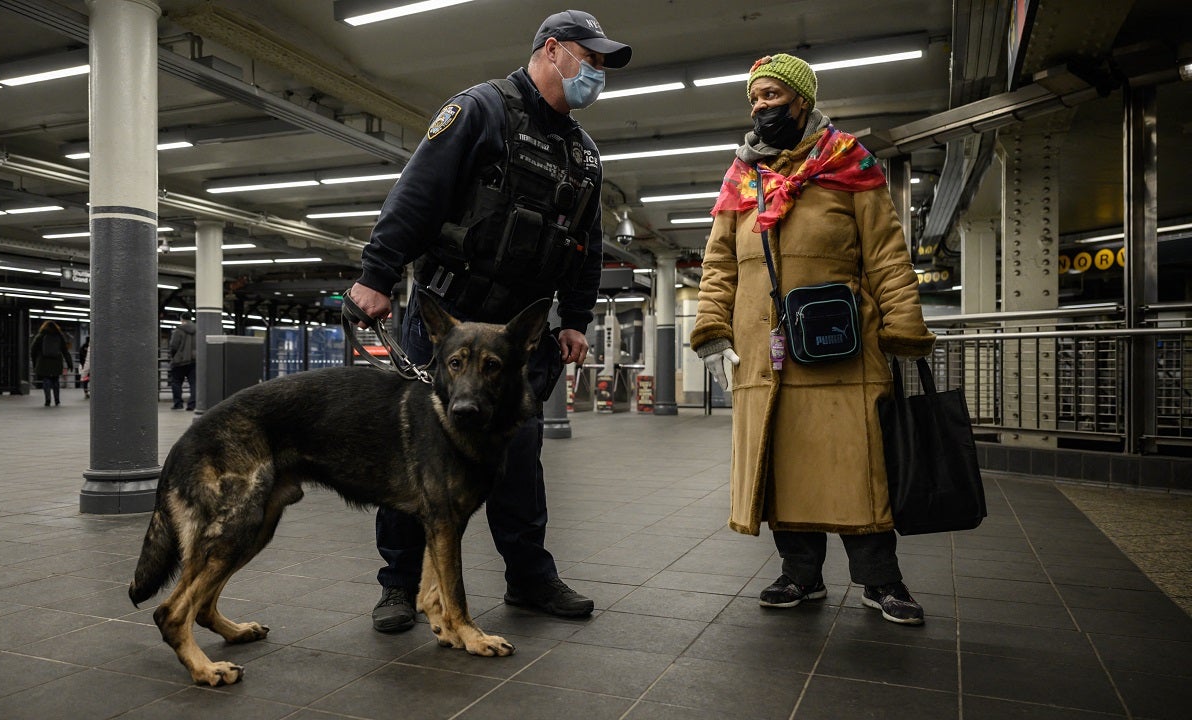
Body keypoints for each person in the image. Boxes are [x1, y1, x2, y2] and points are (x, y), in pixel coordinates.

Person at [346, 9, 631, 633]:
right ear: (551, 50)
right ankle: (398, 586)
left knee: (519, 457)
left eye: (603, 66)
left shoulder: (583, 156)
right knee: (412, 454)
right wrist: (376, 273)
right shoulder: (481, 109)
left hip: (512, 337)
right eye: (591, 60)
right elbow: (418, 192)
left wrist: (576, 319)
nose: (598, 76)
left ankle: (529, 579)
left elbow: (584, 245)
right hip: (448, 319)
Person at [689, 53, 937, 625]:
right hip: (766, 353)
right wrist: (711, 331)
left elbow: (887, 257)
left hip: (843, 349)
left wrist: (902, 330)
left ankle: (881, 581)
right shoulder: (742, 176)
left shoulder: (850, 164)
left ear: (802, 100)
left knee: (858, 465)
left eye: (773, 96)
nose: (761, 107)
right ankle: (800, 574)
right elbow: (719, 262)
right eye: (755, 98)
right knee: (786, 464)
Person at [29, 320, 74, 407]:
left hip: (43, 362)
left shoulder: (40, 336)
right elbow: (65, 351)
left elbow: (33, 350)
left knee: (46, 380)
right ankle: (57, 400)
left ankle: (47, 400)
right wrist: (69, 363)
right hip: (56, 362)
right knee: (55, 380)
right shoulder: (59, 336)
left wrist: (35, 362)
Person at [169, 313, 196, 411]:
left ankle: (178, 404)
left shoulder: (178, 330)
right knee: (194, 383)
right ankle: (192, 405)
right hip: (194, 360)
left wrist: (174, 356)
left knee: (176, 382)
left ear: (182, 319)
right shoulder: (198, 330)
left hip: (179, 361)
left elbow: (173, 346)